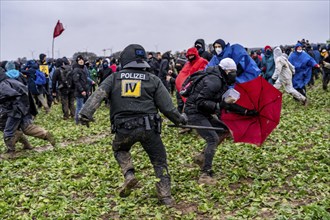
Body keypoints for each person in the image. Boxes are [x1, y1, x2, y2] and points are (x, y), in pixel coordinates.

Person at [78, 44, 187, 206]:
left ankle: (129, 175)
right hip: (149, 128)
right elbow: (168, 108)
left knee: (120, 149)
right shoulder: (153, 79)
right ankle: (165, 197)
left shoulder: (114, 78)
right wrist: (181, 121)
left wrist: (86, 114)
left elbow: (98, 95)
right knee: (159, 161)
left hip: (123, 128)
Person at [184, 58, 258, 185]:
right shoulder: (214, 81)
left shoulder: (221, 80)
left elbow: (227, 104)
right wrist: (219, 106)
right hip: (194, 112)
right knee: (212, 139)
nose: (235, 74)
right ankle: (205, 174)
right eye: (233, 72)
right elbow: (201, 103)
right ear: (226, 71)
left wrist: (246, 111)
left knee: (224, 130)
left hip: (203, 112)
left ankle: (202, 157)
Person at [0, 64, 55, 155]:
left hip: (15, 109)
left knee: (8, 131)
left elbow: (12, 95)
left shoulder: (2, 84)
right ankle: (45, 134)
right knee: (26, 127)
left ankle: (11, 151)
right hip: (23, 107)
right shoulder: (11, 80)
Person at [72, 55, 89, 125]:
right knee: (79, 107)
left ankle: (81, 120)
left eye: (82, 60)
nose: (81, 61)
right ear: (77, 62)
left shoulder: (83, 69)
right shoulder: (76, 70)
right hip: (79, 91)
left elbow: (85, 80)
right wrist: (82, 90)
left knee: (82, 106)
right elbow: (76, 81)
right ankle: (77, 121)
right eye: (79, 60)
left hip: (84, 90)